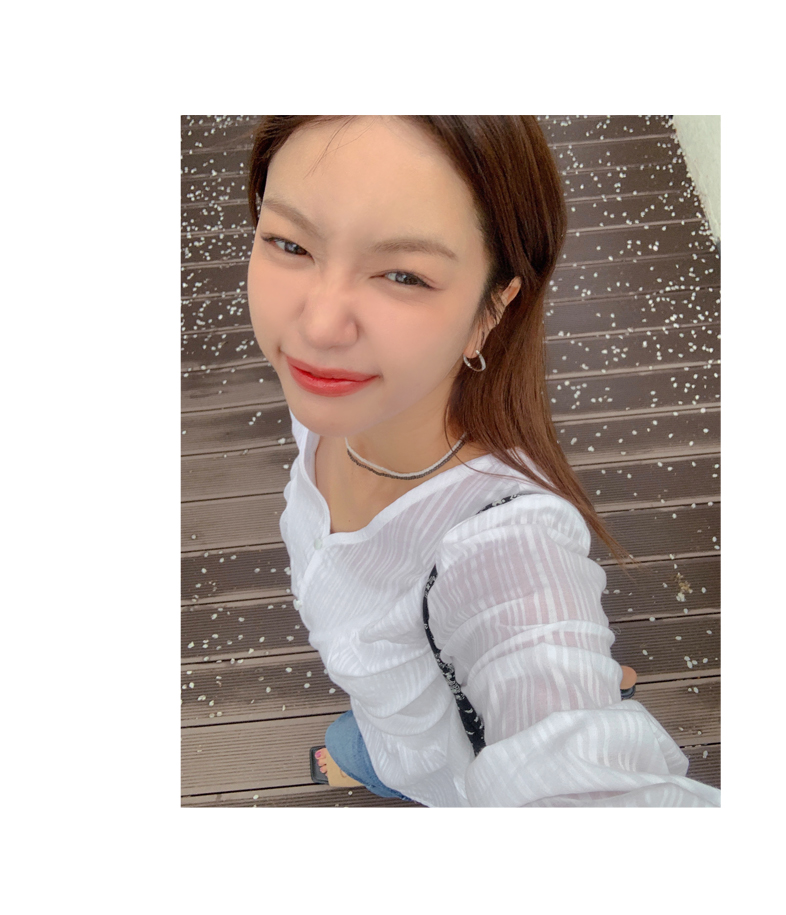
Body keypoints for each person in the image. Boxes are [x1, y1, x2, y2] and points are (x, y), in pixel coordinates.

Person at [246, 115, 720, 807]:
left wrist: (556, 686)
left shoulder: (507, 543)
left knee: (377, 756)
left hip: (445, 766)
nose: (317, 327)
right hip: (386, 709)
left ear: (491, 310)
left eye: (404, 275)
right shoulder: (333, 396)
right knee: (370, 736)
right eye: (290, 243)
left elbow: (579, 786)